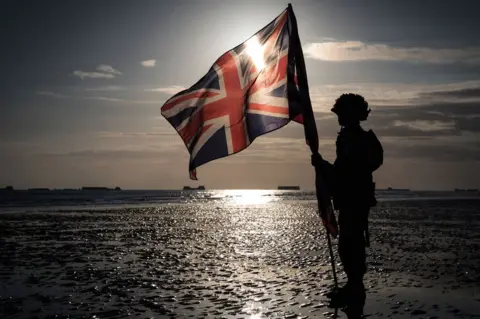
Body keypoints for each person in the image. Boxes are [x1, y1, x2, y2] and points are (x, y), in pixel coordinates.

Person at [311, 93, 383, 311]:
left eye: (341, 113)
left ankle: (354, 287)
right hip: (353, 199)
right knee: (350, 245)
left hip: (354, 200)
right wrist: (323, 166)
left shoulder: (353, 140)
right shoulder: (349, 138)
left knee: (350, 245)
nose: (338, 117)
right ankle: (353, 286)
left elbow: (344, 174)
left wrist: (322, 165)